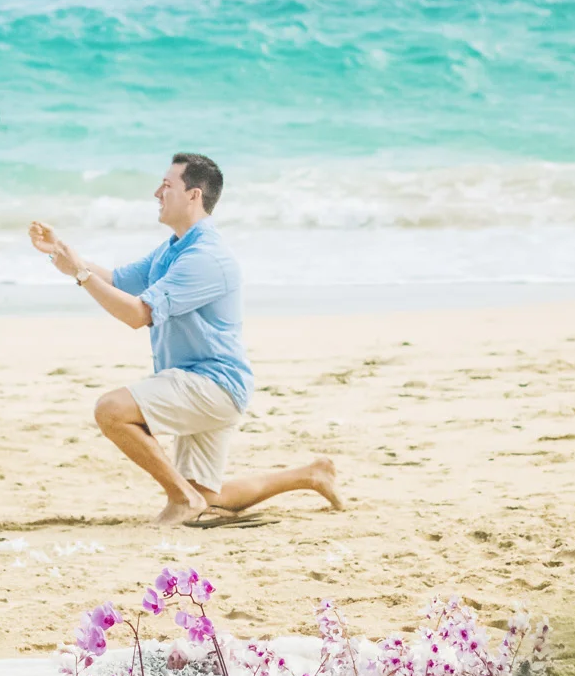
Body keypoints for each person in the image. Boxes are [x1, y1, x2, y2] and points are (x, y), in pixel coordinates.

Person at [28, 153, 342, 527]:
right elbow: (117, 281)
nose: (156, 193)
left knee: (111, 410)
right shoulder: (174, 247)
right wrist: (64, 255)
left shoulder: (206, 257)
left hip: (212, 385)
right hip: (200, 382)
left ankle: (182, 498)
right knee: (209, 498)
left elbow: (137, 315)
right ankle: (310, 475)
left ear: (194, 195)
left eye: (167, 185)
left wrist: (80, 275)